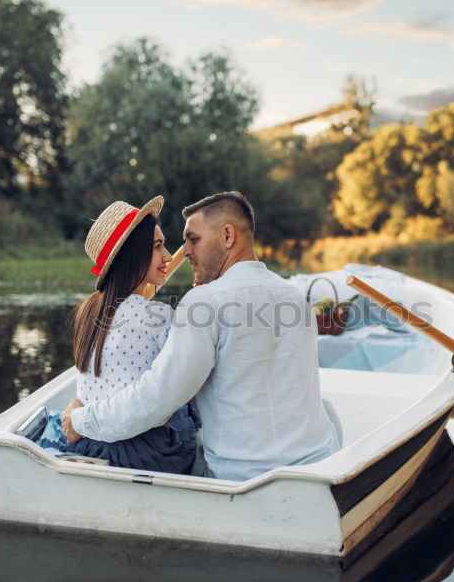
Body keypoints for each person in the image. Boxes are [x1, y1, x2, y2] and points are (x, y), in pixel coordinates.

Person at [62, 191, 341, 481]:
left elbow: (155, 400)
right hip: (318, 463)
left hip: (240, 476)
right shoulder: (294, 297)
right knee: (327, 410)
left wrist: (80, 420)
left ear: (228, 237)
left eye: (193, 239)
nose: (184, 253)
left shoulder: (203, 303)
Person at [35, 196, 200, 475]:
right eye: (158, 246)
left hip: (90, 445)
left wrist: (146, 281)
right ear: (132, 255)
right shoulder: (159, 316)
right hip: (148, 454)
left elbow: (130, 307)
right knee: (186, 401)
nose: (167, 256)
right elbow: (183, 385)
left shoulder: (87, 309)